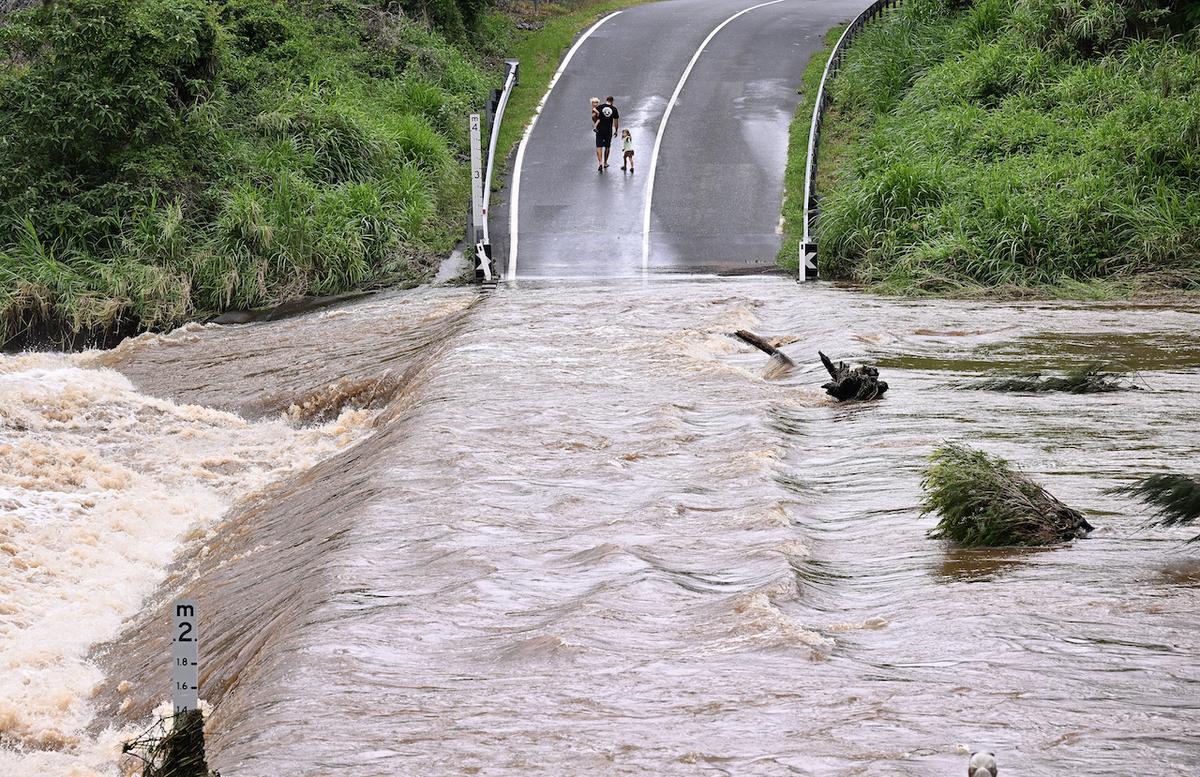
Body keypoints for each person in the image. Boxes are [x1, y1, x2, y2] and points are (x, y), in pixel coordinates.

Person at [593, 96, 619, 171]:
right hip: (608, 130)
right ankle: (605, 163)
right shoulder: (614, 109)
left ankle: (600, 162)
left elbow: (594, 113)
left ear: (606, 100)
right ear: (612, 101)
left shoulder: (600, 107)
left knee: (599, 146)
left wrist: (596, 121)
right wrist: (616, 130)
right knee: (607, 146)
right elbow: (616, 122)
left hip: (600, 129)